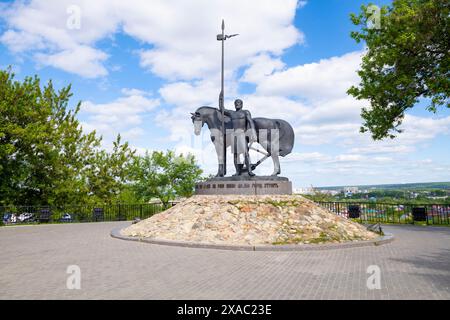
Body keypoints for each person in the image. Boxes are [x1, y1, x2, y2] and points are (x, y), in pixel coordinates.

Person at [223, 99, 257, 176]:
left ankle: (249, 171)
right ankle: (237, 171)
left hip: (242, 134)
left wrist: (253, 132)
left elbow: (250, 122)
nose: (237, 104)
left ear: (242, 104)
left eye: (238, 103)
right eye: (235, 103)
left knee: (245, 153)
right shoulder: (232, 113)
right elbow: (222, 109)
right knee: (235, 154)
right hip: (234, 135)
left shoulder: (245, 112)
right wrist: (220, 98)